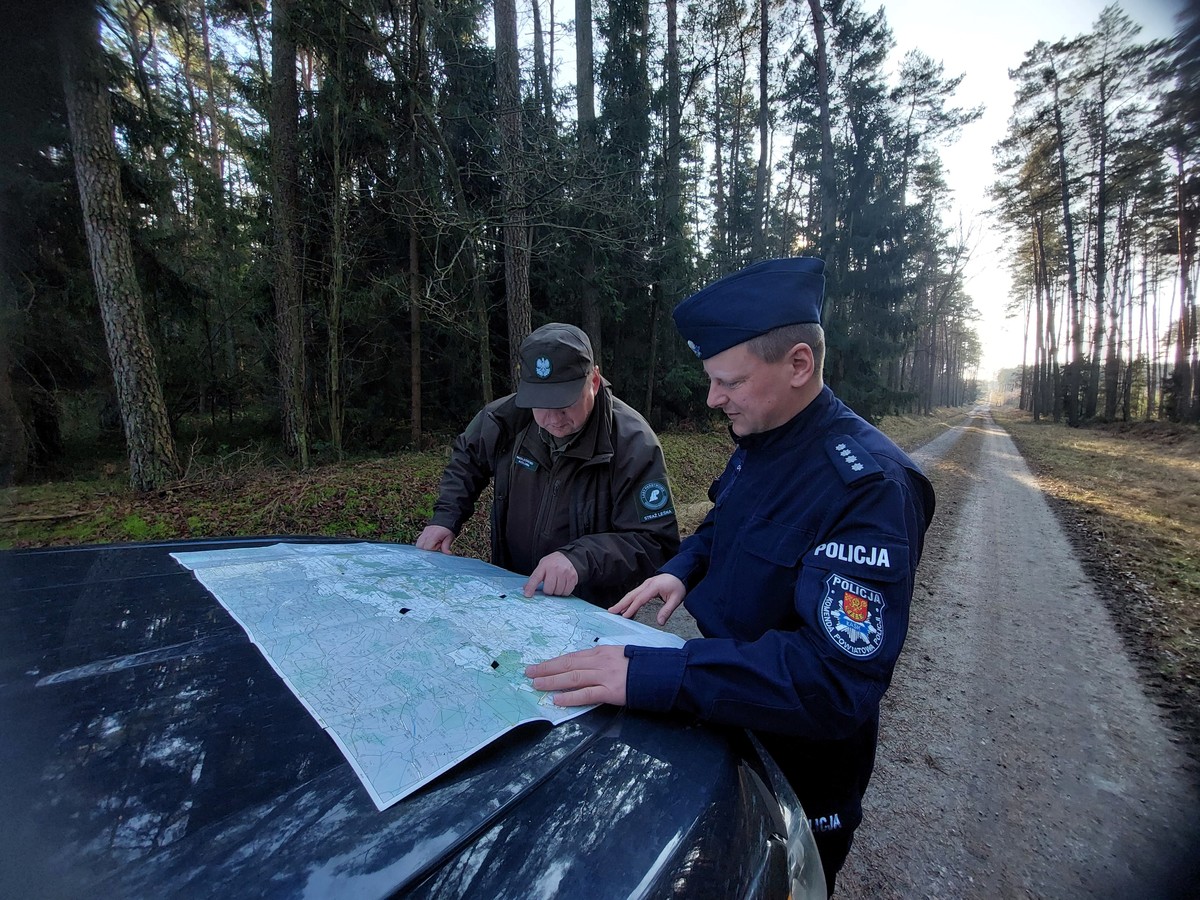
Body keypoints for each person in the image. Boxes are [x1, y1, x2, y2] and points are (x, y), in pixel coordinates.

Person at [524, 259, 936, 896]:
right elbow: (726, 522)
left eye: (729, 382)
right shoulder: (765, 438)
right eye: (711, 380)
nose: (713, 399)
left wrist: (659, 674)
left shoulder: (870, 487)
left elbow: (831, 682)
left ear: (798, 365)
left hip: (799, 766)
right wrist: (683, 570)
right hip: (724, 720)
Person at [416, 322, 680, 606]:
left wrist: (580, 559)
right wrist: (446, 517)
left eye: (564, 405)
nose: (553, 420)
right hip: (513, 596)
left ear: (593, 381)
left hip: (589, 611)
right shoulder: (507, 418)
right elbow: (467, 457)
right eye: (540, 404)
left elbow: (655, 543)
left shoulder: (634, 444)